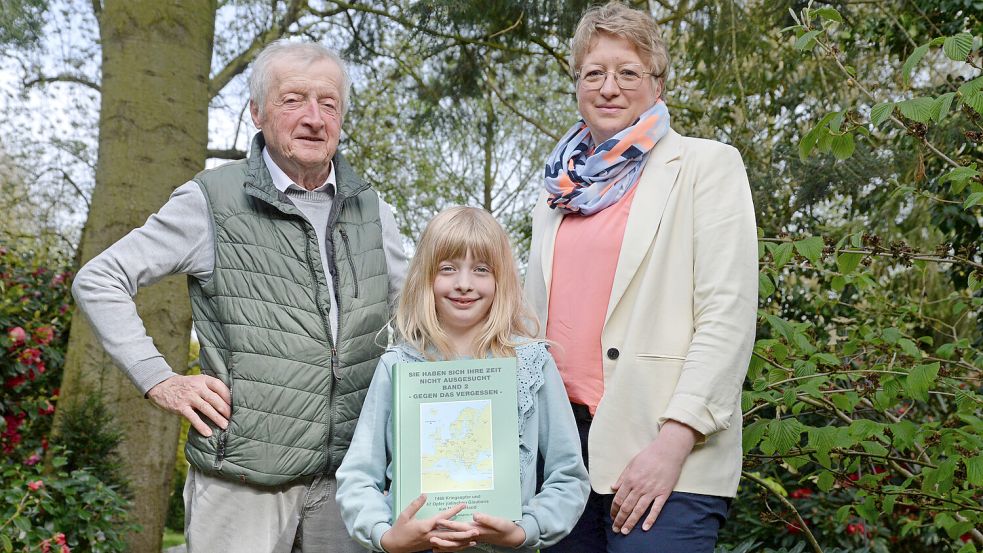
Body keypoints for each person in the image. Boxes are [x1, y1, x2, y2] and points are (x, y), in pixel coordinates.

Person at [72, 40, 408, 552]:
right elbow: (99, 279)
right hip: (242, 481)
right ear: (256, 112)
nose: (314, 118)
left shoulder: (372, 209)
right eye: (293, 100)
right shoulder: (211, 199)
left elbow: (417, 312)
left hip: (350, 483)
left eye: (329, 103)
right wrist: (160, 379)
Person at [523, 3, 758, 553]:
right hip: (560, 455)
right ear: (576, 82)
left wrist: (673, 442)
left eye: (628, 72)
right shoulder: (556, 192)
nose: (610, 87)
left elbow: (727, 315)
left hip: (667, 452)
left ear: (657, 84)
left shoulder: (707, 166)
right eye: (594, 73)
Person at [336, 206, 589, 553]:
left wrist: (526, 530)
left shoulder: (532, 364)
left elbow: (569, 477)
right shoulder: (398, 365)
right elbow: (358, 476)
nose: (464, 284)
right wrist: (384, 535)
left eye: (481, 270)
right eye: (448, 268)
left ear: (502, 279)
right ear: (426, 277)